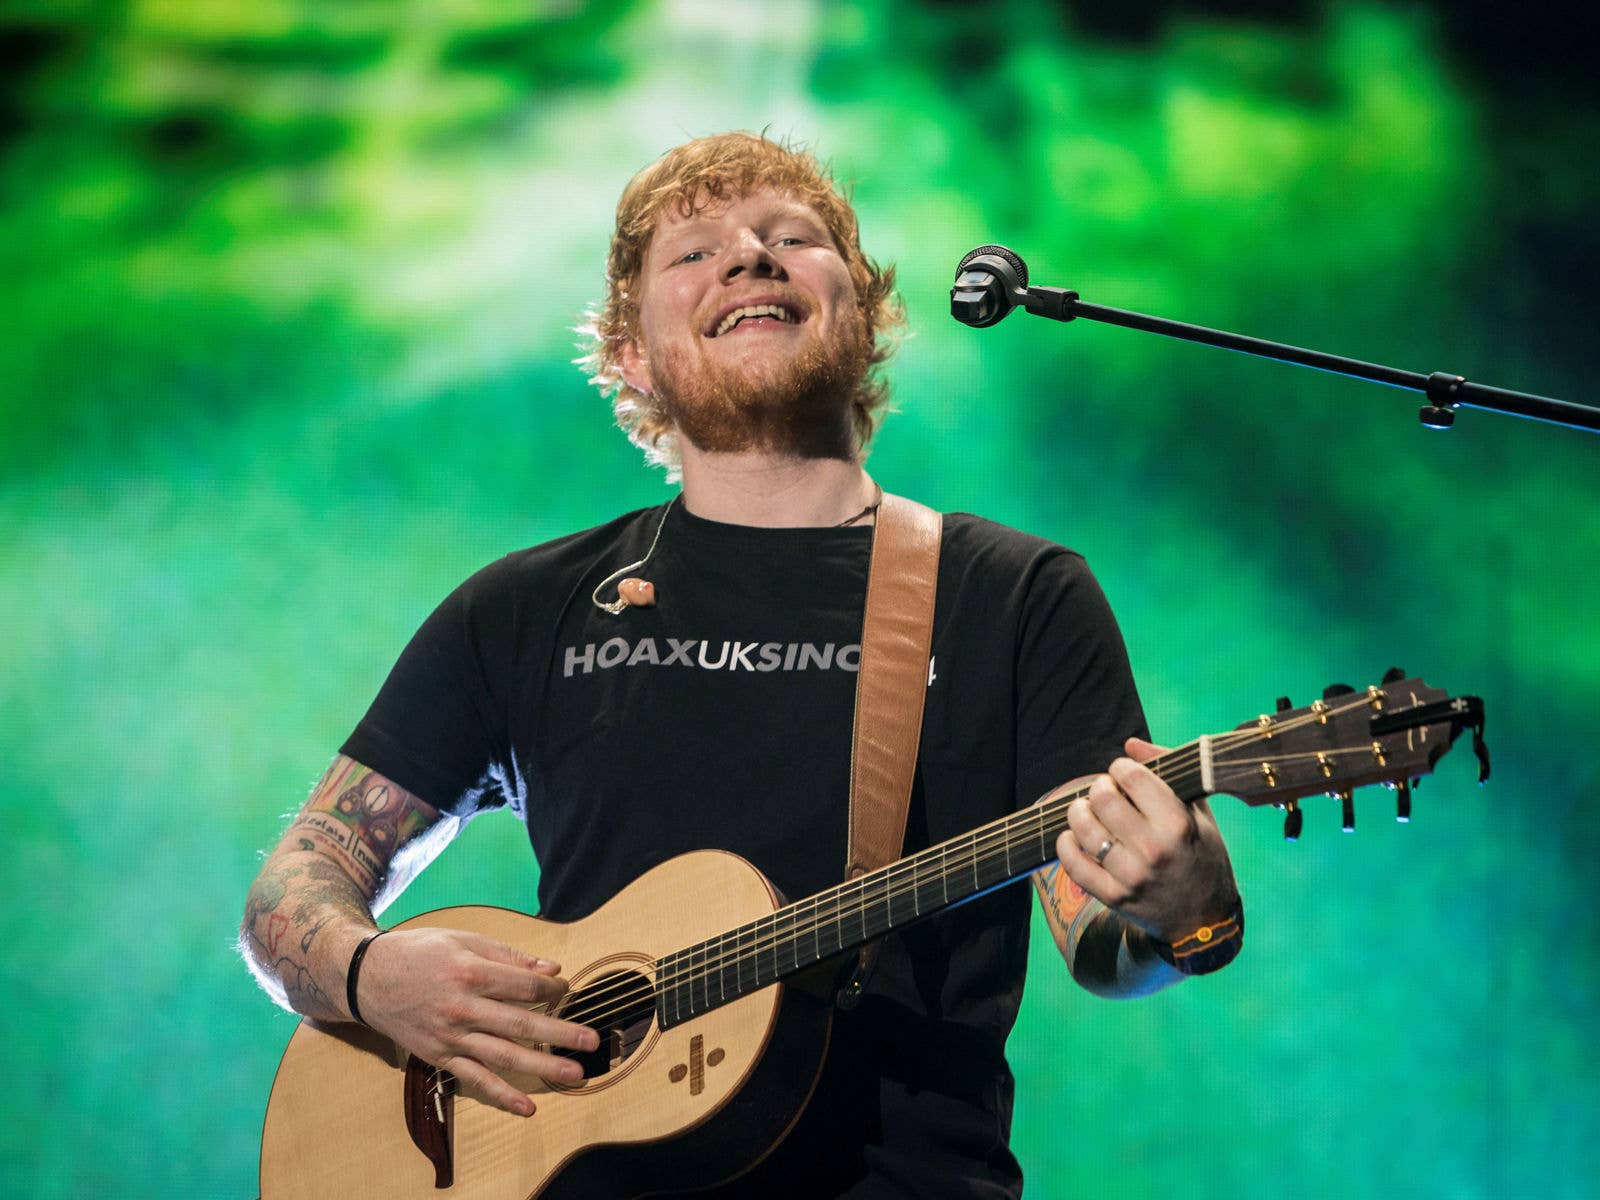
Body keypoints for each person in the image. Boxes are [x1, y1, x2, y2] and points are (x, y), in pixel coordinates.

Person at [242, 131, 1242, 1198]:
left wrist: (1189, 910)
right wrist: (368, 971)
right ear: (631, 354)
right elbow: (294, 887)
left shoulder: (1012, 593)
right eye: (694, 253)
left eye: (791, 241)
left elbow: (1098, 933)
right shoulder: (523, 609)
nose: (749, 258)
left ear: (865, 319)